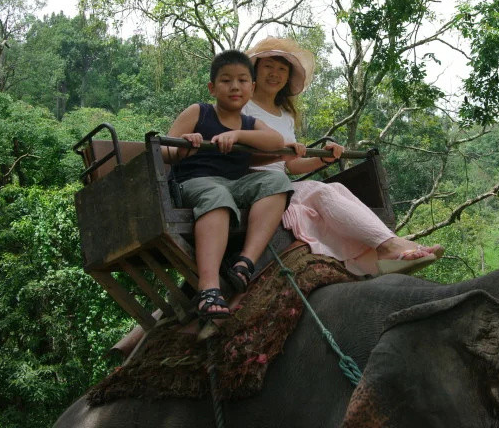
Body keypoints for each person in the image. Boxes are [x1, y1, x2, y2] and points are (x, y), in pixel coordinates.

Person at [242, 37, 441, 276]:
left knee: (336, 187)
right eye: (268, 67)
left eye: (281, 69)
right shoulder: (242, 106)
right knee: (322, 190)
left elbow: (291, 165)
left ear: (287, 78)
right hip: (256, 185)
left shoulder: (285, 115)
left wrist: (323, 158)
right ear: (255, 70)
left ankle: (387, 246)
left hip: (283, 182)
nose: (275, 74)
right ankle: (389, 246)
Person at [164, 49, 293, 318]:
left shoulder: (249, 122)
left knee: (277, 180)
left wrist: (236, 135)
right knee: (218, 194)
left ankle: (245, 262)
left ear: (252, 87)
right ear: (212, 87)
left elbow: (276, 142)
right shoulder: (198, 112)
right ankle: (209, 287)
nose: (235, 86)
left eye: (243, 80)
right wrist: (183, 147)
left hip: (236, 185)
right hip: (196, 183)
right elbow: (163, 150)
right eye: (226, 80)